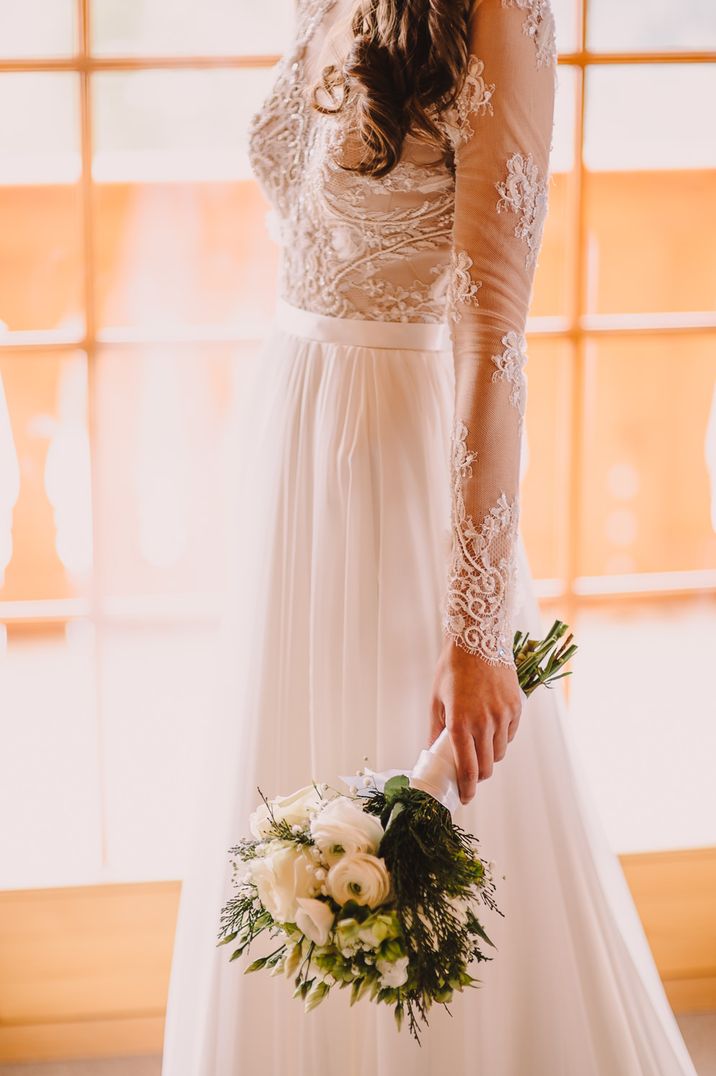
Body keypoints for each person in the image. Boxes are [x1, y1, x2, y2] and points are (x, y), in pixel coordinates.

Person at [160, 1, 699, 1072]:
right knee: (285, 783)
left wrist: (473, 623)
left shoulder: (500, 13)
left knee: (428, 815)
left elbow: (494, 337)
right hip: (297, 445)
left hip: (399, 459)